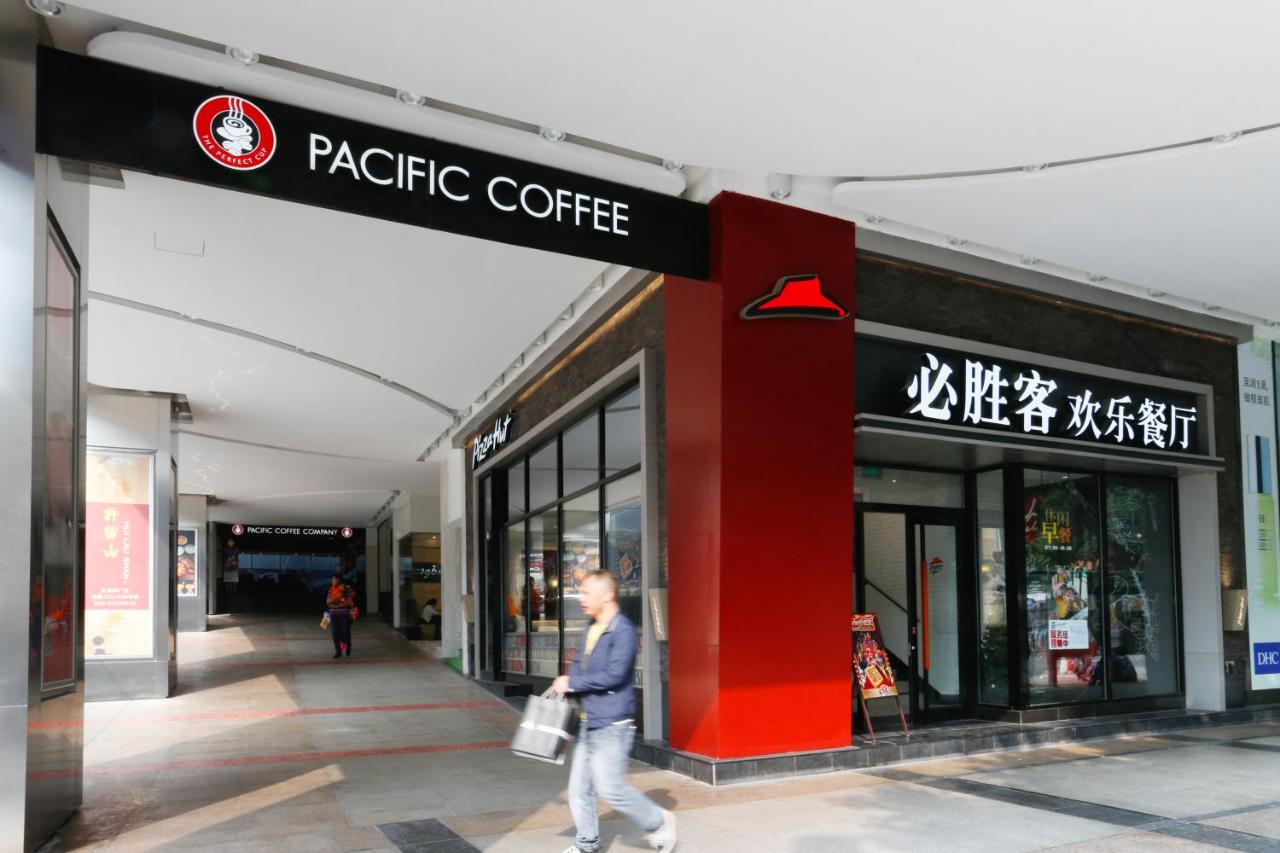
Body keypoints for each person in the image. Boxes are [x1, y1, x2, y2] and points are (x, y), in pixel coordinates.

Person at [552, 570, 676, 853]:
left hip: (612, 723)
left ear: (607, 594)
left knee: (610, 789)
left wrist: (573, 683)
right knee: (579, 790)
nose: (581, 598)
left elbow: (614, 675)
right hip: (588, 721)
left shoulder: (623, 630)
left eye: (586, 592)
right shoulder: (590, 627)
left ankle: (658, 821)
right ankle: (587, 844)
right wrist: (569, 687)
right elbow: (580, 665)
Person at [326, 573, 357, 658]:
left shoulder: (347, 588)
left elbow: (349, 601)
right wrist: (335, 598)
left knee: (345, 631)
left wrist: (337, 604)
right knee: (335, 633)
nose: (332, 581)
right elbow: (327, 601)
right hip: (333, 614)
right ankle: (338, 651)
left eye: (334, 579)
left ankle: (348, 645)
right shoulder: (331, 589)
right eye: (332, 579)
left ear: (338, 580)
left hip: (344, 613)